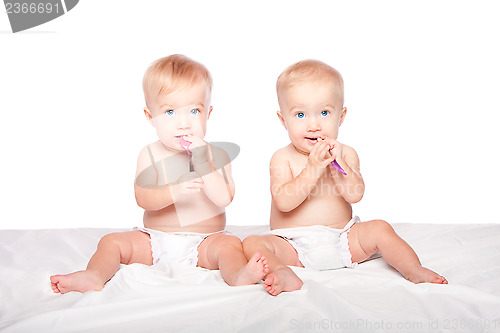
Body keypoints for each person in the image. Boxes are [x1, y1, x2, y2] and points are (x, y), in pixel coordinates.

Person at [51, 54, 268, 294]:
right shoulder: (150, 154)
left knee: (230, 246)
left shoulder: (217, 155)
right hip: (154, 240)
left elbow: (224, 199)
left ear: (208, 112)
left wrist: (204, 165)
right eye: (170, 112)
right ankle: (94, 275)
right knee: (111, 242)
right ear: (150, 116)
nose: (184, 123)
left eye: (194, 111)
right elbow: (143, 198)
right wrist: (173, 191)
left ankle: (238, 275)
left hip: (205, 242)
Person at [243, 59, 447, 296]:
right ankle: (284, 273)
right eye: (300, 114)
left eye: (324, 112)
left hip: (342, 240)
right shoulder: (282, 158)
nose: (313, 124)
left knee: (380, 228)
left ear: (341, 116)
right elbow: (284, 203)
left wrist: (338, 166)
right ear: (283, 120)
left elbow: (355, 195)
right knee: (252, 243)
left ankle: (413, 269)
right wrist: (313, 168)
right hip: (292, 245)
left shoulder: (345, 153)